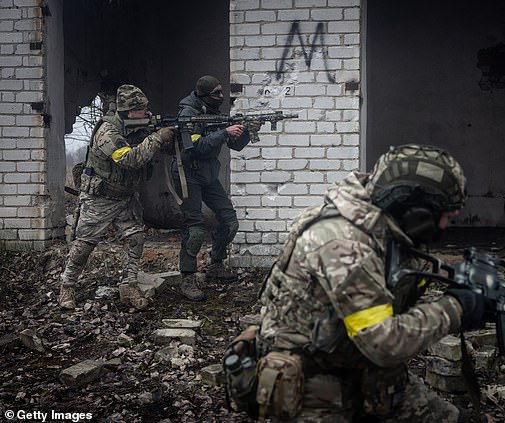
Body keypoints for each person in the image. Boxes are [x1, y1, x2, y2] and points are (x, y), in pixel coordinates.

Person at [251, 144, 487, 422]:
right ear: (415, 210)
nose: (446, 227)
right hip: (314, 389)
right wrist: (456, 308)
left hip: (359, 367)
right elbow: (383, 343)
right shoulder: (343, 243)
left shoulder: (382, 229)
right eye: (446, 216)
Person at [58, 84, 176, 311]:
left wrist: (167, 136)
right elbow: (129, 159)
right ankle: (67, 285)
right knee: (84, 245)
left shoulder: (140, 127)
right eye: (142, 109)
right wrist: (157, 138)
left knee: (135, 239)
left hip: (126, 197)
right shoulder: (107, 131)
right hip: (100, 198)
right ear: (129, 111)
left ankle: (129, 285)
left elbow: (159, 150)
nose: (146, 112)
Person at [171, 75, 260, 301]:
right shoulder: (187, 115)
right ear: (203, 95)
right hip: (187, 173)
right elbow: (195, 148)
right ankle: (188, 278)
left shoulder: (215, 114)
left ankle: (215, 265)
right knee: (195, 228)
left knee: (230, 222)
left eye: (222, 92)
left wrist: (247, 130)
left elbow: (236, 146)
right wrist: (224, 132)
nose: (221, 97)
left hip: (208, 175)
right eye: (216, 94)